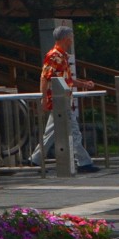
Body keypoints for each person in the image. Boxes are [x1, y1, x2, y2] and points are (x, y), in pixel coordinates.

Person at [29, 25, 99, 173]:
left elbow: (67, 79)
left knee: (52, 132)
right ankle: (83, 162)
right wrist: (43, 98)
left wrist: (83, 84)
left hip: (62, 99)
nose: (72, 40)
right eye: (71, 37)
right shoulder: (54, 56)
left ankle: (35, 159)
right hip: (59, 100)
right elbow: (45, 78)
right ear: (67, 39)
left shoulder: (61, 56)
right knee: (73, 131)